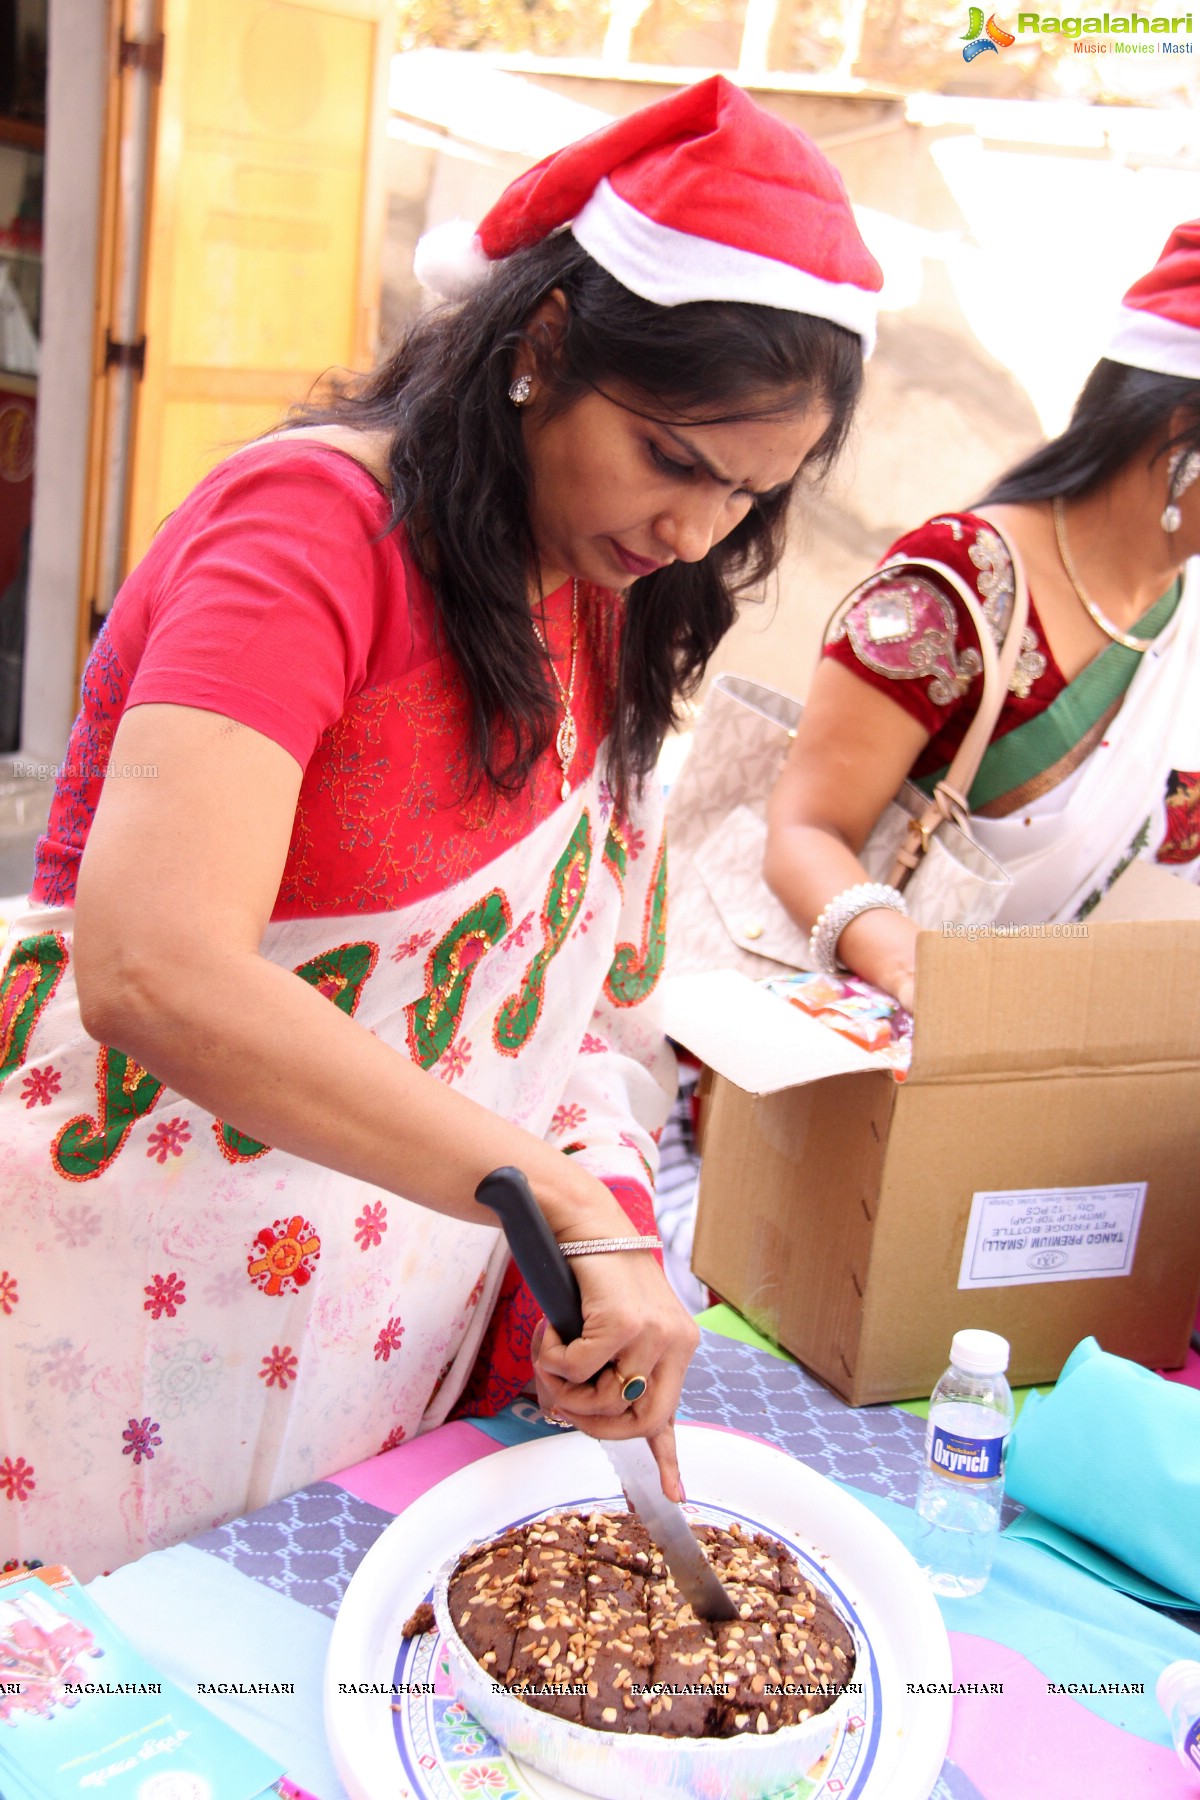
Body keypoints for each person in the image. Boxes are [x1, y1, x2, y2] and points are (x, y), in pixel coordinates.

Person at [0, 76, 881, 1577]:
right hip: (114, 1295)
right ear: (543, 346)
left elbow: (565, 1014)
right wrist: (533, 1188)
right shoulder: (310, 537)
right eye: (673, 457)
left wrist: (600, 1226)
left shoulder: (617, 601)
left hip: (371, 1311)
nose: (695, 532)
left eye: (750, 493)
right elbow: (149, 966)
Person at [766, 220, 1200, 1011]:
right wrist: (917, 977)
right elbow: (805, 830)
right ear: (1181, 432)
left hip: (1094, 1060)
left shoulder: (1187, 610)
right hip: (907, 1062)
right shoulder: (963, 584)